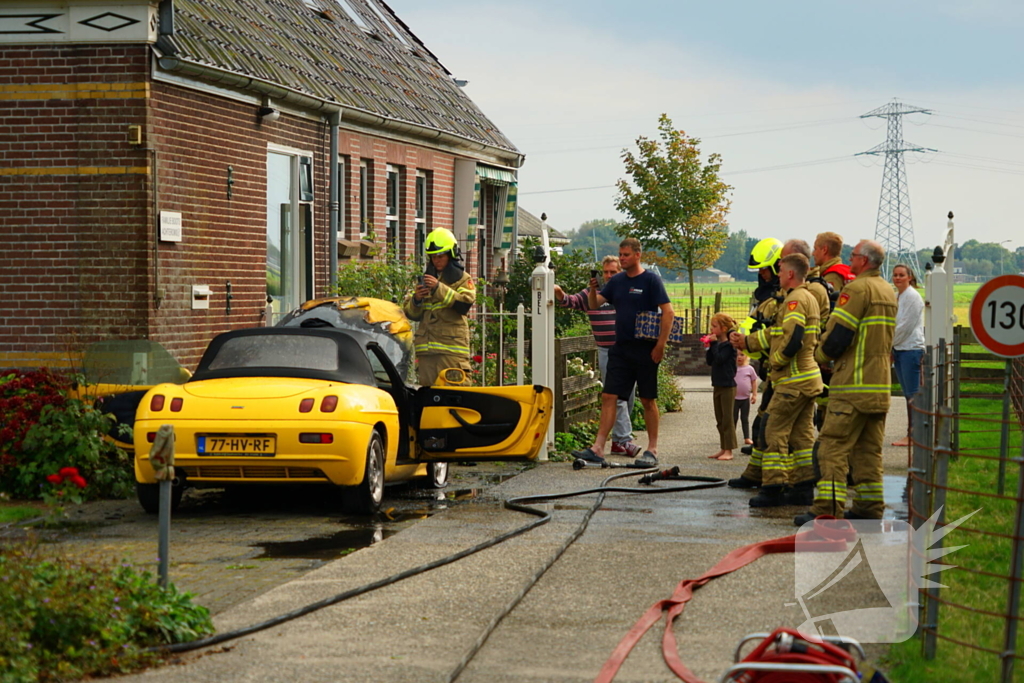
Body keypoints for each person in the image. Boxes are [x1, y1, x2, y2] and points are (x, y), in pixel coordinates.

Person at [795, 240, 897, 526]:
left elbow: (840, 335)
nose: (849, 259)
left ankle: (827, 509)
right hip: (879, 387)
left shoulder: (856, 290)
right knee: (868, 451)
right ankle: (869, 507)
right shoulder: (888, 290)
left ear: (863, 261)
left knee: (832, 448)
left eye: (853, 256)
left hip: (853, 384)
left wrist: (819, 354)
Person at [730, 253, 823, 507]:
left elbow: (793, 337)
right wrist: (746, 341)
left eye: (781, 271)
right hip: (807, 380)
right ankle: (803, 488)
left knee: (773, 430)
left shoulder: (794, 301)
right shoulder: (806, 297)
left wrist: (778, 361)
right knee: (802, 436)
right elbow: (775, 332)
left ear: (790, 274)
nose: (778, 275)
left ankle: (773, 486)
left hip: (793, 380)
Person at [572, 238, 674, 467]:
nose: (622, 258)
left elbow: (668, 312)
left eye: (626, 254)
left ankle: (652, 449)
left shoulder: (651, 280)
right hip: (620, 349)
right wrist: (593, 289)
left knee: (648, 399)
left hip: (646, 350)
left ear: (638, 255)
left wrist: (660, 345)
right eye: (620, 254)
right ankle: (597, 448)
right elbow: (595, 304)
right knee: (609, 396)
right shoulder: (617, 281)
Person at [554, 256, 639, 457]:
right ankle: (625, 440)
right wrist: (559, 293)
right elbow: (572, 301)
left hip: (629, 350)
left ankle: (618, 442)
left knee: (628, 398)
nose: (608, 276)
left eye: (613, 272)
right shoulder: (593, 293)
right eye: (606, 272)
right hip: (607, 351)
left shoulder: (627, 293)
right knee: (616, 396)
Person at [730, 237, 783, 486]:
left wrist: (749, 340)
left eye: (765, 269)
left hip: (783, 368)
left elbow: (778, 333)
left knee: (769, 424)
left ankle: (776, 482)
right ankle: (757, 474)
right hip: (768, 365)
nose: (761, 275)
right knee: (764, 421)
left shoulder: (786, 298)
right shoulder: (764, 294)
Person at [402, 228, 475, 386]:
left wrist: (438, 288)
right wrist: (417, 299)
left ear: (451, 254)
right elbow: (410, 313)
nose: (436, 260)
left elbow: (464, 304)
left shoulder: (462, 279)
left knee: (454, 398)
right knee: (429, 400)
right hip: (427, 354)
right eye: (433, 257)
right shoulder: (425, 279)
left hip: (452, 354)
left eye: (440, 256)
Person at [891, 263, 925, 447]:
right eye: (895, 275)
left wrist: (887, 344)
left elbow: (904, 327)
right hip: (899, 349)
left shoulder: (913, 297)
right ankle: (912, 434)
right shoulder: (897, 296)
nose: (897, 278)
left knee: (913, 394)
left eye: (901, 275)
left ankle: (914, 435)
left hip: (911, 349)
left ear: (909, 277)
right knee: (907, 394)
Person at [706, 313, 738, 460]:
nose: (711, 329)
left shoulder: (729, 346)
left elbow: (719, 359)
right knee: (719, 419)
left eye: (714, 326)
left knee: (727, 419)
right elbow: (710, 361)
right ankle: (723, 447)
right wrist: (709, 347)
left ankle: (729, 450)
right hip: (718, 384)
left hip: (727, 385)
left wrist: (713, 345)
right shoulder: (718, 345)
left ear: (724, 328)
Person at [734, 352, 758, 446]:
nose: (739, 357)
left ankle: (747, 437)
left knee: (745, 418)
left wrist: (754, 394)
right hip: (734, 398)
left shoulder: (750, 369)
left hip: (745, 399)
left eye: (742, 355)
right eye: (737, 355)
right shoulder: (733, 368)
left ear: (747, 357)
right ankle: (731, 437)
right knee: (733, 418)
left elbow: (754, 381)